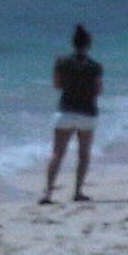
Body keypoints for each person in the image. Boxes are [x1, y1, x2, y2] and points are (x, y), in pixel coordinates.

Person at [44, 24, 103, 204]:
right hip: (87, 112)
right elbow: (98, 90)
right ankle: (77, 191)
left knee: (57, 153)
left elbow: (57, 86)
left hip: (66, 111)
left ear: (73, 43)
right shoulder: (95, 66)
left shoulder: (61, 62)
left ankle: (48, 193)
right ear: (88, 45)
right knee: (83, 154)